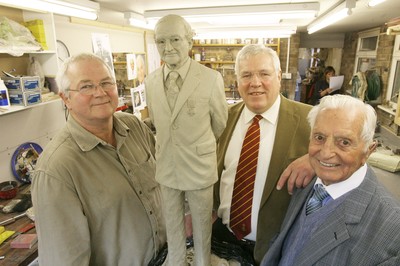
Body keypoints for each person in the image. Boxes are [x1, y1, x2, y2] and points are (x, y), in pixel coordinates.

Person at [31, 53, 166, 265]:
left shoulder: (135, 127)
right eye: (86, 86)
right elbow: (65, 259)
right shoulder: (56, 169)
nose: (100, 92)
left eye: (106, 83)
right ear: (65, 99)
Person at [261, 95, 400, 266]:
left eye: (344, 142)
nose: (326, 153)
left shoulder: (393, 231)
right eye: (319, 137)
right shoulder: (306, 181)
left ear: (368, 151)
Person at [213, 44, 314, 265]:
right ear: (237, 81)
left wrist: (316, 160)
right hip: (223, 240)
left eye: (264, 74)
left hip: (277, 248)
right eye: (246, 75)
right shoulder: (223, 119)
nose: (255, 83)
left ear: (279, 77)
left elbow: (349, 154)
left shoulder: (310, 120)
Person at [144, 14, 228, 266]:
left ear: (189, 41)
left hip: (198, 165)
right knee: (171, 220)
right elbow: (158, 122)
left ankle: (202, 261)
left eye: (175, 39)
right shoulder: (150, 82)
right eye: (161, 42)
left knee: (202, 222)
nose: (167, 48)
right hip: (167, 165)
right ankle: (177, 260)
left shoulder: (210, 79)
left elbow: (220, 123)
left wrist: (196, 144)